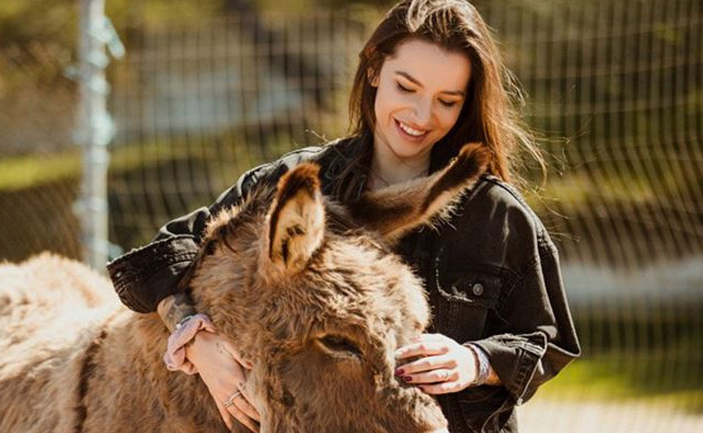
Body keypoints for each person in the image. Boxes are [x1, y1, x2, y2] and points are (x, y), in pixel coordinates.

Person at [106, 1, 581, 432]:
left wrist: (475, 361)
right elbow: (160, 261)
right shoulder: (292, 181)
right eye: (406, 86)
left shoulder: (496, 214)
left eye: (447, 100)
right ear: (374, 69)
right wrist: (197, 340)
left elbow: (550, 337)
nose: (420, 114)